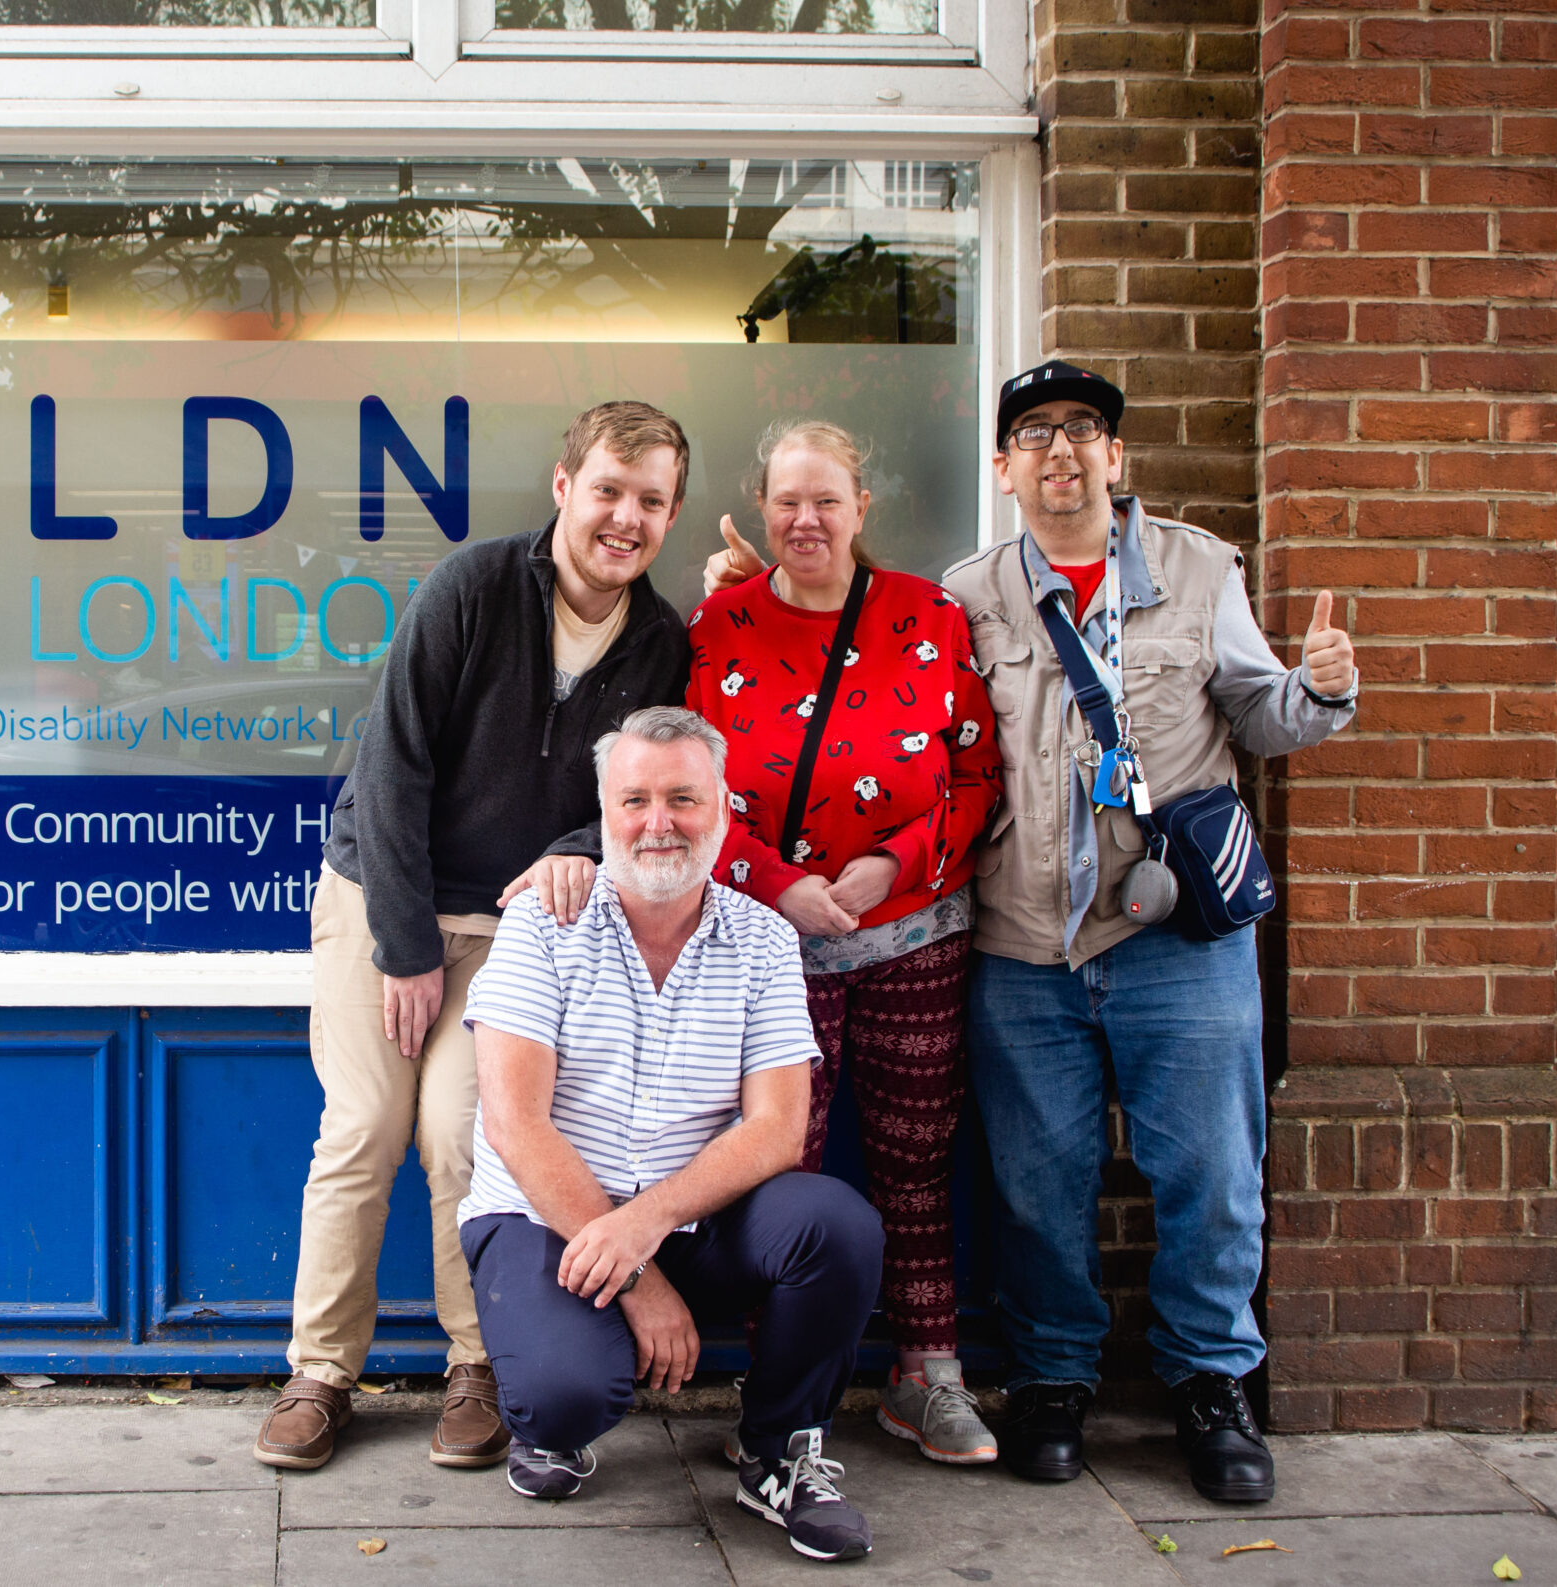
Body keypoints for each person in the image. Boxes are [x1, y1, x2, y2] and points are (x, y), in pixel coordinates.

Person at [706, 360, 1358, 1506]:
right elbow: (795, 700)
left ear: (1116, 459)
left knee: (1210, 1174)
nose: (1060, 452)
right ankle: (1053, 1381)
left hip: (1171, 938)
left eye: (1084, 431)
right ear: (1002, 469)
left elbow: (1256, 715)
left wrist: (1318, 692)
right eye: (1033, 435)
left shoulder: (1202, 571)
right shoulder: (969, 594)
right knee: (1036, 1185)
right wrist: (764, 589)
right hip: (1022, 942)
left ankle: (1211, 1385)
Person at [255, 402, 695, 1475]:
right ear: (563, 488)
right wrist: (404, 946)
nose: (624, 519)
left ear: (670, 514)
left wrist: (583, 843)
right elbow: (392, 765)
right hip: (383, 898)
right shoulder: (474, 588)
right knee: (362, 1128)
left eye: (650, 501)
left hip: (513, 928)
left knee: (468, 1137)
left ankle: (476, 1368)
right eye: (608, 490)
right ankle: (319, 1374)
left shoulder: (660, 640)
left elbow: (643, 796)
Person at [458, 707, 886, 1562]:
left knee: (837, 1225)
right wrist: (639, 1283)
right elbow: (514, 1122)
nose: (659, 823)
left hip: (693, 1222)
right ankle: (549, 1423)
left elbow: (777, 1130)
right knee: (566, 1393)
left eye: (684, 798)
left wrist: (645, 1229)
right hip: (545, 1222)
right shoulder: (543, 924)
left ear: (723, 808)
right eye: (637, 800)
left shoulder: (763, 937)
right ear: (605, 811)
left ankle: (780, 1450)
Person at [686, 420, 1004, 1469]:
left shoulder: (929, 616)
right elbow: (688, 795)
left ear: (862, 509)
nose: (806, 519)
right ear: (762, 509)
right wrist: (780, 884)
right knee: (784, 1174)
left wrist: (888, 870)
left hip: (917, 934)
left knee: (915, 1161)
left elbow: (973, 774)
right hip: (773, 946)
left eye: (826, 500)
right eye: (787, 502)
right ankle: (782, 1406)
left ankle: (929, 1377)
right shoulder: (720, 624)